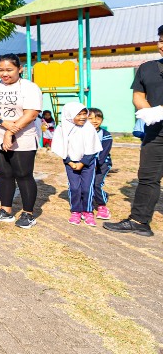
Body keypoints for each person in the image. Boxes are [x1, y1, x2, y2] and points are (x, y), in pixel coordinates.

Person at [104, 25, 163, 237]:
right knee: (148, 177)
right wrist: (149, 111)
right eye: (161, 40)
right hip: (156, 134)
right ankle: (139, 221)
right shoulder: (147, 68)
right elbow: (138, 95)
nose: (161, 45)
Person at [0, 54, 43, 229]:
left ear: (19, 69)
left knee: (23, 175)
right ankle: (5, 210)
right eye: (1, 70)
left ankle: (28, 214)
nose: (4, 74)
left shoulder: (30, 88)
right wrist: (3, 123)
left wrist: (10, 132)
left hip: (23, 138)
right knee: (4, 174)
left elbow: (31, 114)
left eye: (9, 70)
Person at [52, 103, 103, 226]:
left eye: (84, 113)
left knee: (87, 188)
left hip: (88, 163)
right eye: (78, 114)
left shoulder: (88, 127)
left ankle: (88, 211)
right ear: (69, 115)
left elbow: (92, 147)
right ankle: (76, 211)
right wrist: (69, 161)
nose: (83, 117)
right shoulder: (62, 128)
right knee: (74, 188)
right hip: (71, 164)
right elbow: (61, 147)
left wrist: (82, 163)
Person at [88, 108, 113, 220]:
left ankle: (102, 206)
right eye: (91, 118)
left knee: (97, 184)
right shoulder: (83, 133)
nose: (95, 121)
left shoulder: (105, 134)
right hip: (87, 163)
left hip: (102, 164)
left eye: (98, 118)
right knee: (88, 184)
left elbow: (104, 152)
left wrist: (97, 163)